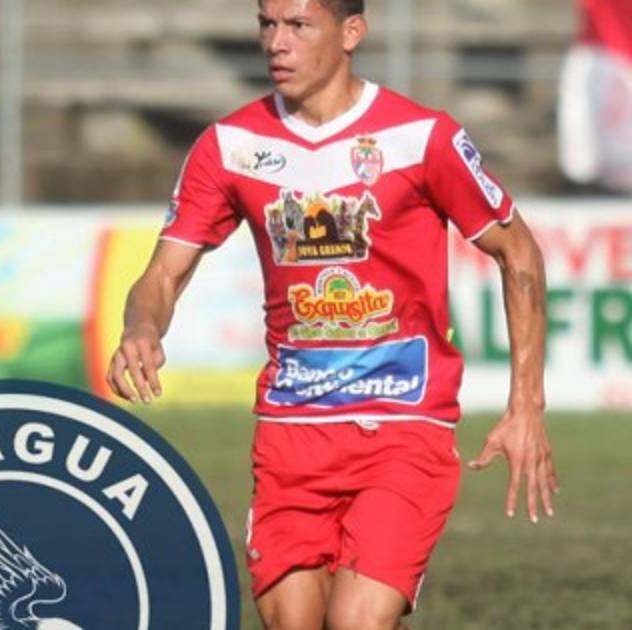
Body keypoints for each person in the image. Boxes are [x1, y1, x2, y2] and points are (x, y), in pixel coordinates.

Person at [106, 1, 557, 628]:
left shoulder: (420, 137)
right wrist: (141, 327)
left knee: (356, 621)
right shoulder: (230, 146)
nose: (276, 43)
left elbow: (520, 253)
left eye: (298, 25)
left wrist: (526, 406)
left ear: (351, 32)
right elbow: (161, 275)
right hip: (290, 435)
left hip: (402, 426)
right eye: (267, 24)